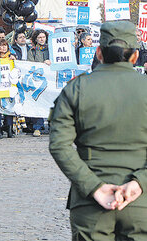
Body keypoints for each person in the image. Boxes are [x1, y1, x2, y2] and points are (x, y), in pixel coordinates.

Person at [49, 20, 147, 240]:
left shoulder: (76, 88)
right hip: (142, 202)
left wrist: (94, 187)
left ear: (99, 53)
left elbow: (59, 145)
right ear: (135, 56)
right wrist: (140, 183)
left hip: (90, 202)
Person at [0, 39, 16, 139]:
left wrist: (14, 59)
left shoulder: (11, 58)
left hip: (8, 86)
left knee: (9, 107)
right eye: (1, 46)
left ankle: (9, 129)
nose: (3, 48)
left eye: (5, 46)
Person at [27, 29, 50, 137]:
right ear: (36, 39)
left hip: (50, 81)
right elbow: (30, 65)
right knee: (38, 102)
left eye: (43, 37)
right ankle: (37, 127)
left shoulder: (51, 49)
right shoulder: (32, 51)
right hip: (38, 81)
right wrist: (42, 64)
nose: (42, 39)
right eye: (39, 37)